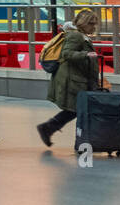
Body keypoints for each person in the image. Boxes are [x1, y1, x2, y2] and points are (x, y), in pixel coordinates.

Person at [38, 9, 106, 147]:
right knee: (76, 109)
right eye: (91, 24)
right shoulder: (76, 36)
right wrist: (85, 55)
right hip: (72, 80)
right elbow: (67, 54)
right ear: (83, 23)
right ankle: (50, 128)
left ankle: (50, 128)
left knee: (76, 110)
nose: (94, 27)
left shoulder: (80, 36)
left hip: (77, 79)